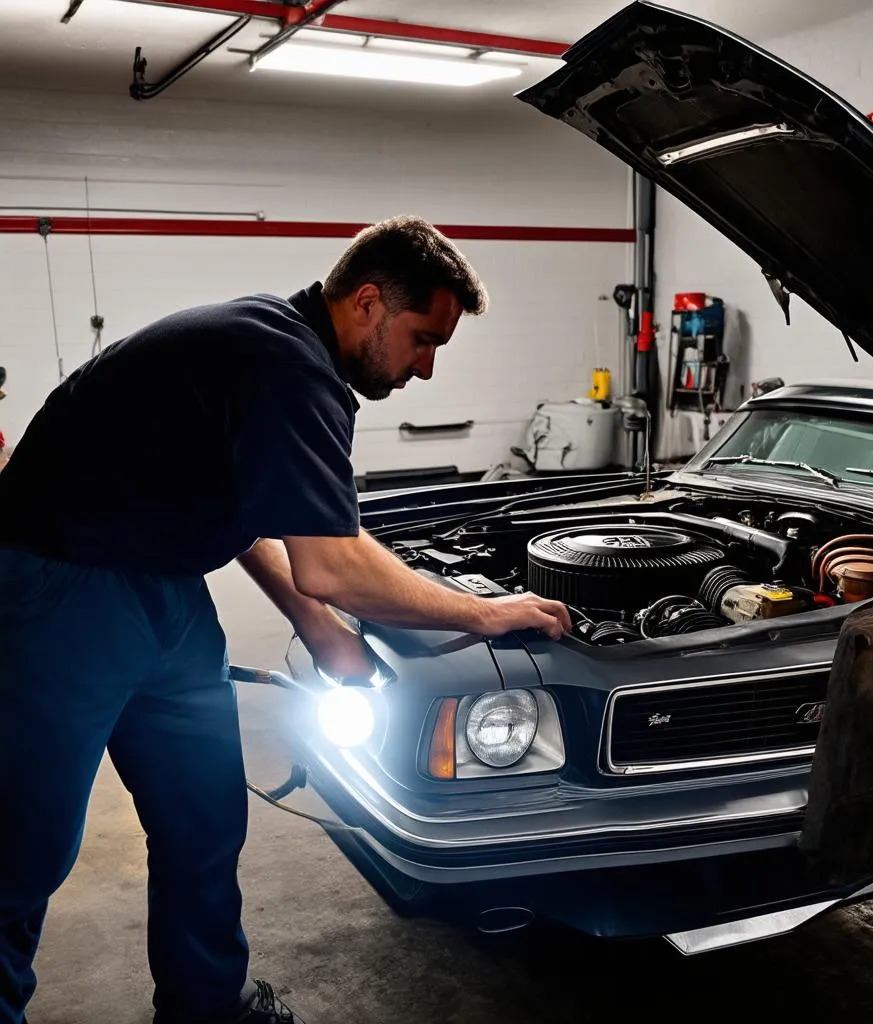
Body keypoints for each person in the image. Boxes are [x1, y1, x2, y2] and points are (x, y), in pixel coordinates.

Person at [0, 215, 571, 1024]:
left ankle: (207, 1007)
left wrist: (319, 627)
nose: (428, 367)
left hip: (166, 594)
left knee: (203, 818)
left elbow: (263, 517)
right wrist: (485, 614)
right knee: (22, 854)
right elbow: (333, 563)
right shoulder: (283, 361)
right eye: (422, 339)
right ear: (368, 302)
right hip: (61, 589)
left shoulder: (281, 351)